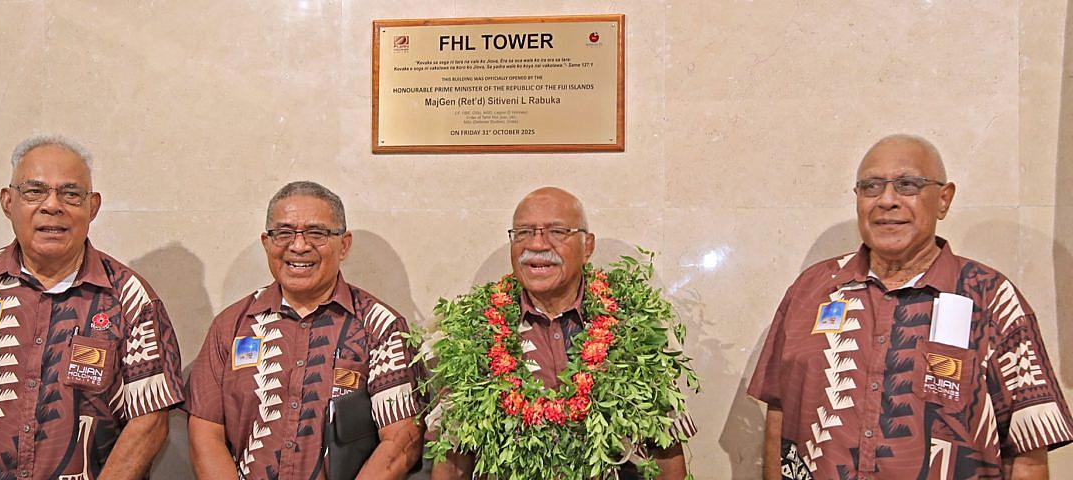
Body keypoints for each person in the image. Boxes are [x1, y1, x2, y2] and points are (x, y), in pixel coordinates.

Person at [748, 134, 1073, 479]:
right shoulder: (811, 291)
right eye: (871, 187)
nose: (887, 200)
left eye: (907, 185)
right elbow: (779, 410)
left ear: (944, 200)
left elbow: (1026, 449)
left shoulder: (991, 298)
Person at [0, 135, 185, 479]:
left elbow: (148, 421)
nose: (52, 205)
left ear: (94, 206)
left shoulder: (130, 298)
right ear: (8, 201)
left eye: (71, 194)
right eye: (34, 191)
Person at [431, 187, 695, 480]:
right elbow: (453, 456)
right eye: (523, 232)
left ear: (588, 246)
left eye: (557, 231)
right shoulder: (474, 330)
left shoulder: (636, 324)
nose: (537, 244)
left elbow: (666, 451)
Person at [185, 181, 423, 480]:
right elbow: (205, 433)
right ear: (266, 243)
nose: (298, 246)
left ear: (344, 244)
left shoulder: (381, 327)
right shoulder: (231, 326)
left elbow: (401, 439)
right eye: (284, 233)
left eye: (317, 233)